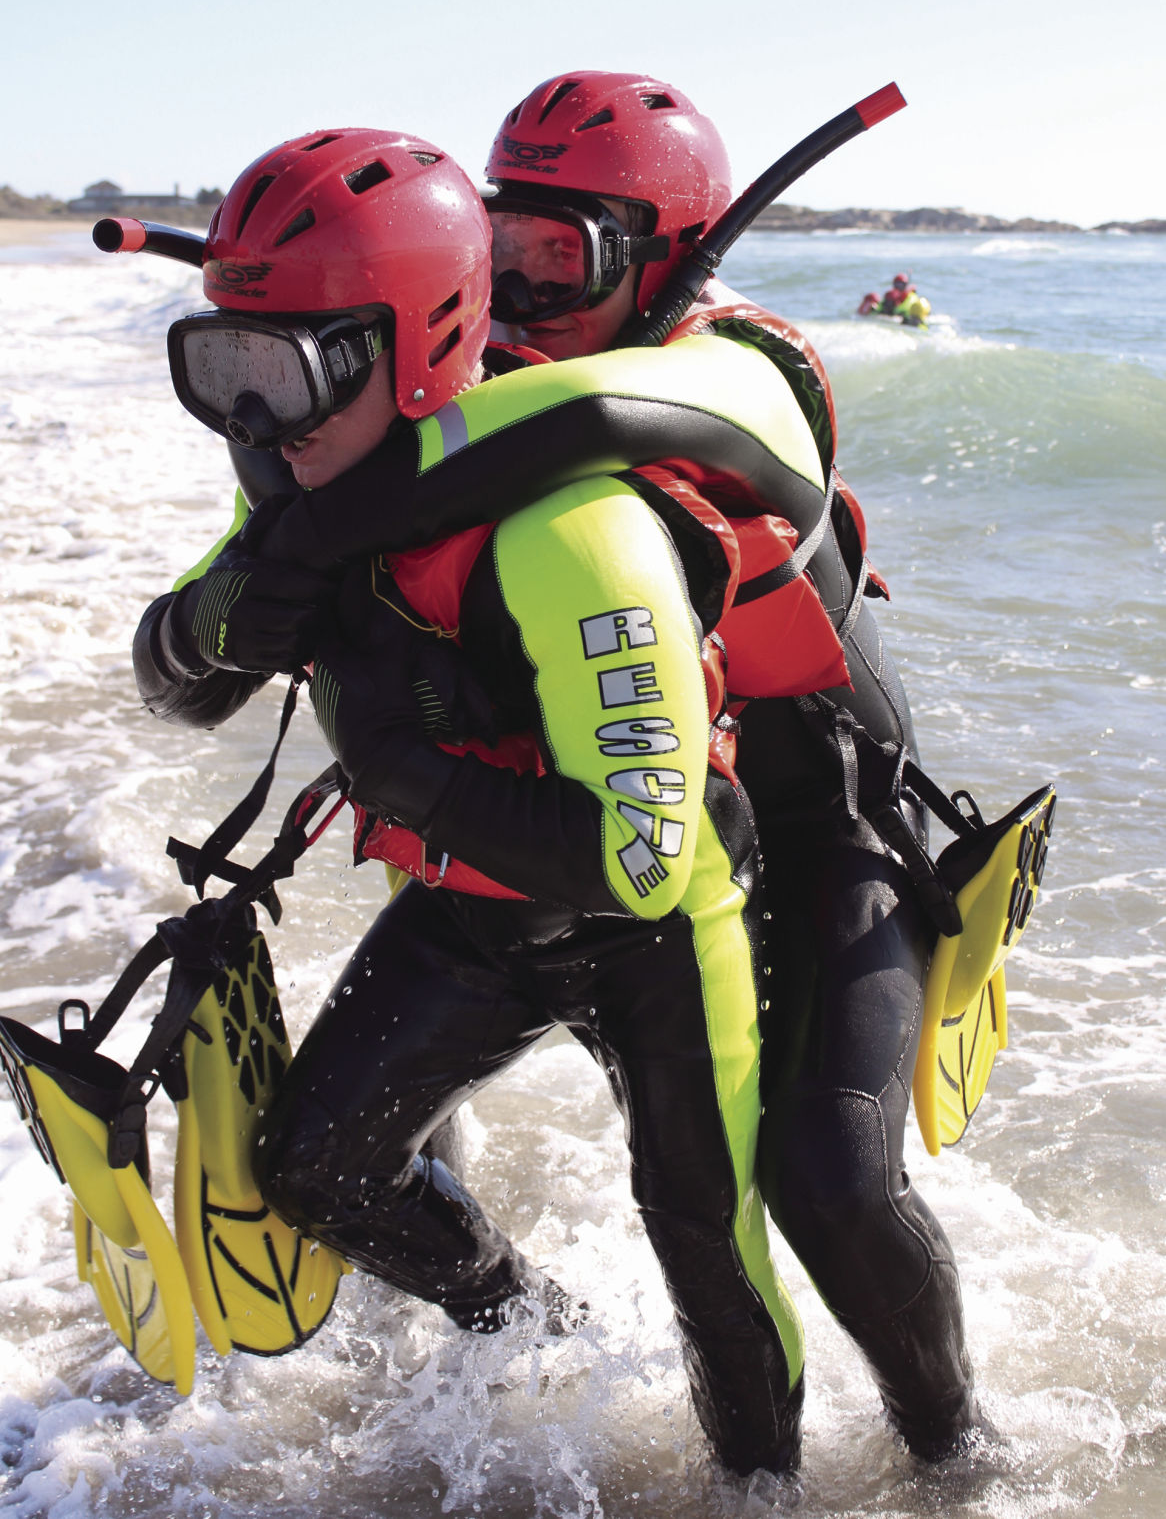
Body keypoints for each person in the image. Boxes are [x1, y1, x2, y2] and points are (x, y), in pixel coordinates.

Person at [222, 74, 983, 1460]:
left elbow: (563, 421)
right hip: (570, 836)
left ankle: (958, 1449)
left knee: (820, 1180)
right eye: (494, 246)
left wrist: (307, 533)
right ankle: (512, 1327)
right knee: (347, 1139)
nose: (512, 289)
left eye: (555, 255)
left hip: (818, 844)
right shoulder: (492, 392)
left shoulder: (747, 371)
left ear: (674, 251)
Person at [133, 127, 805, 1478]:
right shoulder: (307, 484)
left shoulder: (573, 532)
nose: (260, 422)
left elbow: (636, 856)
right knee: (318, 1170)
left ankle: (767, 1491)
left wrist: (397, 770)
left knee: (704, 1246)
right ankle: (522, 1323)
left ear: (421, 338)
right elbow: (169, 683)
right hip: (472, 915)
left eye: (295, 371)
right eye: (227, 372)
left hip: (661, 930)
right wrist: (216, 617)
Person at [858, 273, 930, 327]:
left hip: (904, 318)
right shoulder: (891, 295)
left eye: (901, 284)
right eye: (897, 284)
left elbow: (905, 310)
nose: (898, 287)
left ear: (905, 285)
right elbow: (882, 306)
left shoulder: (911, 297)